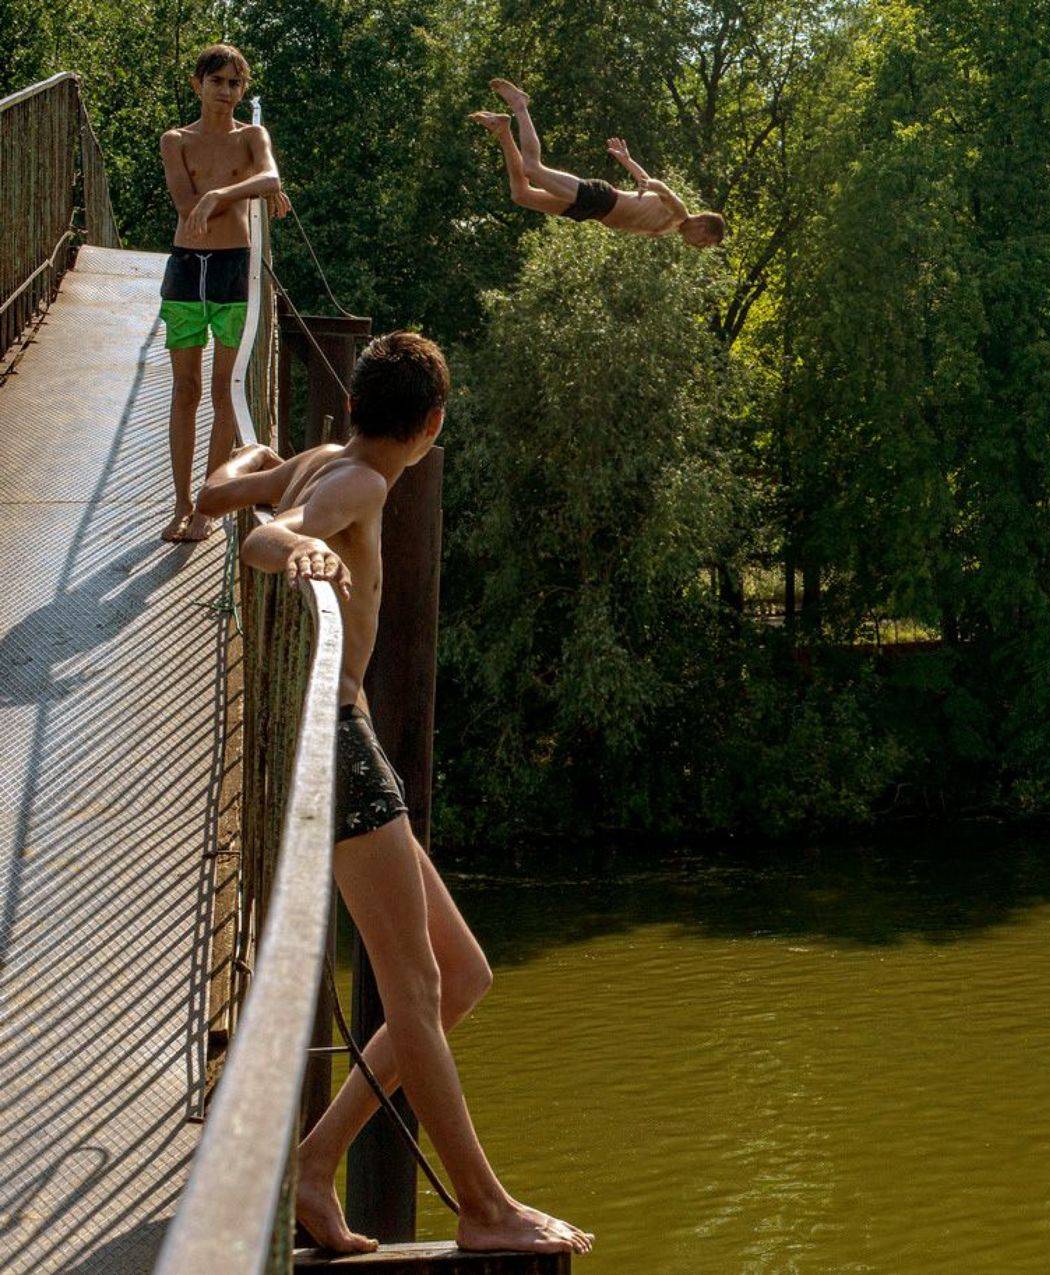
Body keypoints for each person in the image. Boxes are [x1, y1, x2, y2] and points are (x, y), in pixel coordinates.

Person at [197, 333, 594, 1258]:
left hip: (346, 742)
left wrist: (255, 460)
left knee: (461, 974)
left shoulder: (317, 459)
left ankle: (313, 1163)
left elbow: (218, 495)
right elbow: (262, 538)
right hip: (339, 749)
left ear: (354, 406)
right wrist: (301, 547)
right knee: (415, 985)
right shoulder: (364, 484)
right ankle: (484, 1206)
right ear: (432, 425)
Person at [157, 43, 289, 543]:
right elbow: (184, 204)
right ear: (198, 84)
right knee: (186, 389)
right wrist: (248, 189)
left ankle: (207, 507)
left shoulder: (252, 136)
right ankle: (181, 503)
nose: (227, 91)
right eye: (217, 81)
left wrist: (224, 191)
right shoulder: (176, 140)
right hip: (188, 269)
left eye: (235, 83)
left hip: (234, 270)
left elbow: (271, 175)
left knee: (225, 390)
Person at [470, 78, 725, 248]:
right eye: (705, 241)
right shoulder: (681, 213)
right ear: (703, 225)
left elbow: (647, 189)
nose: (700, 246)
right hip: (601, 198)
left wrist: (629, 163)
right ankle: (520, 105)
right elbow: (662, 190)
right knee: (532, 169)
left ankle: (503, 130)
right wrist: (647, 181)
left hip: (592, 212)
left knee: (521, 195)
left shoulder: (673, 226)